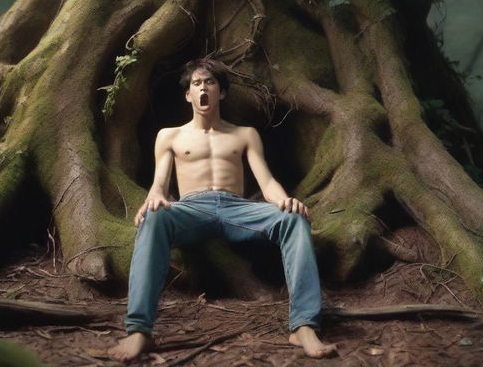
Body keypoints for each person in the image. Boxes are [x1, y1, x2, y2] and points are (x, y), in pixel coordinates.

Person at [112, 59, 337, 362]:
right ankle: (139, 331)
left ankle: (304, 326)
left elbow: (266, 180)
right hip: (190, 208)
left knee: (294, 219)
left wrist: (285, 200)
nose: (203, 87)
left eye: (210, 82)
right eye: (196, 83)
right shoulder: (170, 136)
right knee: (153, 217)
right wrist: (152, 201)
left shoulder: (244, 134)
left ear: (222, 92)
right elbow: (159, 185)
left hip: (237, 209)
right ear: (188, 95)